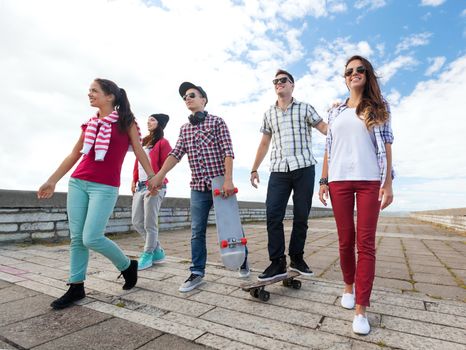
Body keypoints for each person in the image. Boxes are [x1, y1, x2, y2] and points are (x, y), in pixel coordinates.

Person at [37, 78, 159, 310]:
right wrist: (52, 180)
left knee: (91, 237)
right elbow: (74, 155)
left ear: (110, 96)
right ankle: (76, 286)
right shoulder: (90, 124)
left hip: (105, 186)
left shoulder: (126, 122)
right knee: (77, 238)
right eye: (89, 91)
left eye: (94, 91)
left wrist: (152, 176)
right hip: (78, 182)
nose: (89, 94)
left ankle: (126, 266)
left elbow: (140, 153)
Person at [318, 55, 394, 335]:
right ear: (345, 78)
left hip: (369, 180)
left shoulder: (379, 108)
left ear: (368, 74)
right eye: (349, 71)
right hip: (338, 181)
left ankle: (362, 308)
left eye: (360, 69)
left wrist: (388, 182)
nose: (354, 73)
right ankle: (348, 286)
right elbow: (329, 147)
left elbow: (387, 145)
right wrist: (323, 180)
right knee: (345, 240)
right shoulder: (335, 112)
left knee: (366, 243)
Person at [152, 81, 249, 293]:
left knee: (232, 225)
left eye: (192, 95)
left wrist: (228, 180)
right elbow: (176, 154)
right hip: (197, 186)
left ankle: (242, 260)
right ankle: (197, 272)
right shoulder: (184, 129)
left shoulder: (217, 122)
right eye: (185, 97)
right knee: (197, 230)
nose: (187, 98)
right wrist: (160, 175)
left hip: (219, 183)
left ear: (203, 99)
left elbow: (228, 151)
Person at [250, 69, 327, 281]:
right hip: (278, 170)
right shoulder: (269, 113)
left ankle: (297, 258)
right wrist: (254, 168)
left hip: (304, 167)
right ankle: (277, 262)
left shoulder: (304, 108)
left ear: (292, 85)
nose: (279, 83)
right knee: (273, 215)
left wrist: (342, 121)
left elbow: (323, 127)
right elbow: (264, 143)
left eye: (283, 80)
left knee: (301, 215)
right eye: (275, 81)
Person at [131, 113, 172, 270]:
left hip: (155, 186)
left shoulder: (163, 142)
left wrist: (157, 184)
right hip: (140, 186)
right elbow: (138, 163)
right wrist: (133, 180)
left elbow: (166, 166)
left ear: (160, 123)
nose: (148, 122)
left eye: (152, 120)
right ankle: (158, 251)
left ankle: (148, 254)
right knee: (137, 221)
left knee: (150, 223)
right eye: (147, 120)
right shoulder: (144, 142)